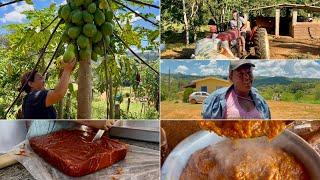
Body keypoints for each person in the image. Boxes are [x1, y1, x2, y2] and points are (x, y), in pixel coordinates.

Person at [202, 61, 271, 119]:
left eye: (249, 73)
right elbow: (209, 128)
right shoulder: (217, 100)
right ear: (231, 77)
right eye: (240, 74)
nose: (247, 77)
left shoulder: (260, 100)